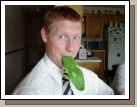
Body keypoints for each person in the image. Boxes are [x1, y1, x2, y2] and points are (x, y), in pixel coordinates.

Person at [12, 6, 114, 95]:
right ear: (45, 35)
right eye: (62, 36)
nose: (71, 48)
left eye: (76, 37)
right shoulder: (31, 92)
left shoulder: (90, 78)